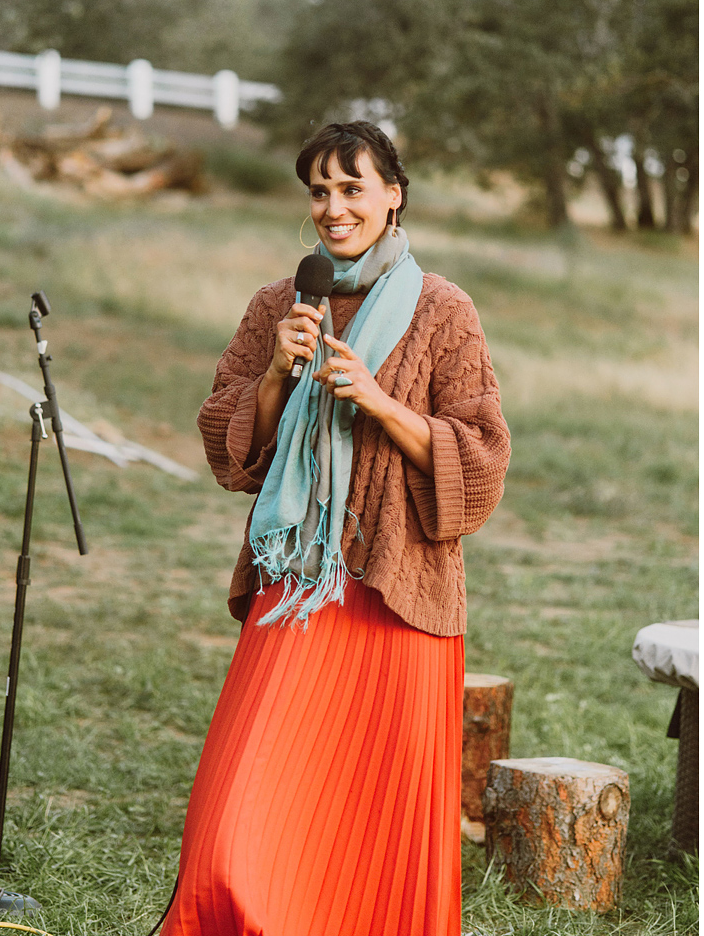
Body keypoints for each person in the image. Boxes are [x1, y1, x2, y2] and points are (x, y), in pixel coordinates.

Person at [168, 121, 512, 935]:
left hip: (398, 593)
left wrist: (381, 401)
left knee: (370, 819)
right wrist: (273, 378)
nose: (333, 207)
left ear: (393, 195)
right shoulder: (277, 302)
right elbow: (225, 439)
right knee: (236, 808)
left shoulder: (442, 309)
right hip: (296, 582)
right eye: (319, 191)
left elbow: (486, 454)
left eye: (351, 187)